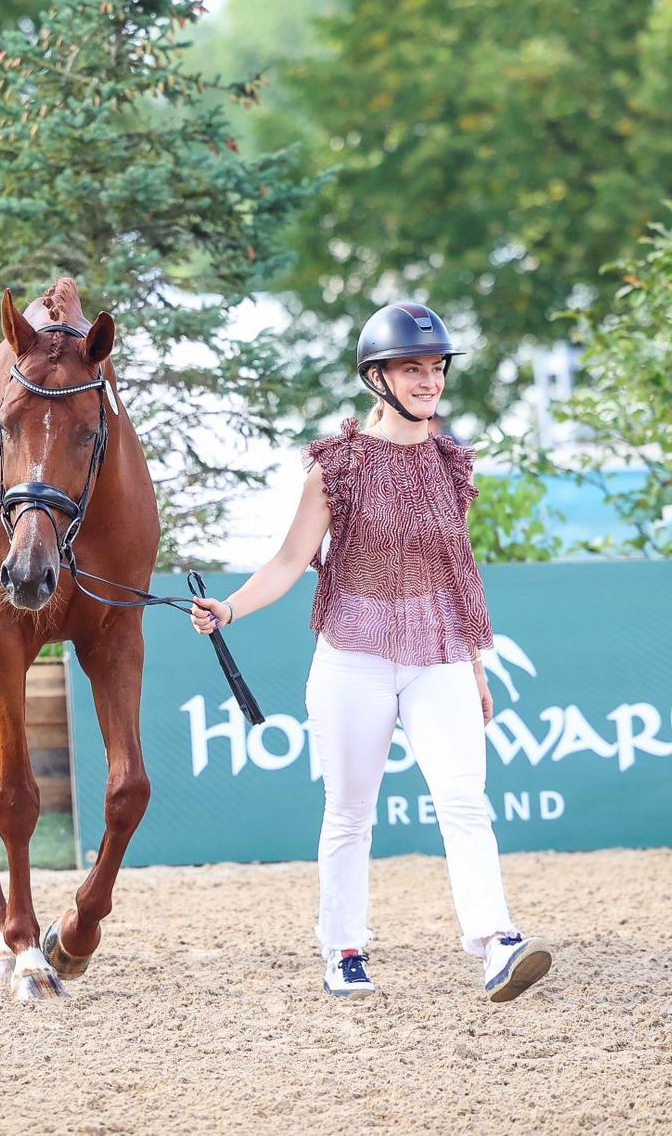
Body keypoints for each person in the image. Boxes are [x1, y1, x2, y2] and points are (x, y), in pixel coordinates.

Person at [190, 301, 552, 1003]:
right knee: (351, 811)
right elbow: (292, 559)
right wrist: (230, 606)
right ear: (377, 378)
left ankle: (495, 941)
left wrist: (475, 665)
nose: (429, 381)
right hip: (352, 654)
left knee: (463, 799)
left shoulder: (452, 464)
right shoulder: (339, 467)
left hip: (440, 652)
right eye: (412, 369)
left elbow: (458, 574)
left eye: (435, 368)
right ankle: (344, 949)